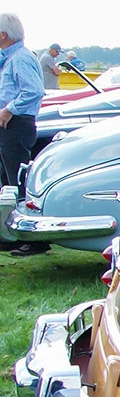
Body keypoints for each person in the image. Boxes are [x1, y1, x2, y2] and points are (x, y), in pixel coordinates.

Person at [0, 13, 47, 255]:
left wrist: (8, 110)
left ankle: (32, 237)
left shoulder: (19, 59)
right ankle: (12, 234)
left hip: (16, 125)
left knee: (18, 182)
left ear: (3, 35)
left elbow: (34, 91)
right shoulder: (12, 58)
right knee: (7, 182)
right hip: (11, 126)